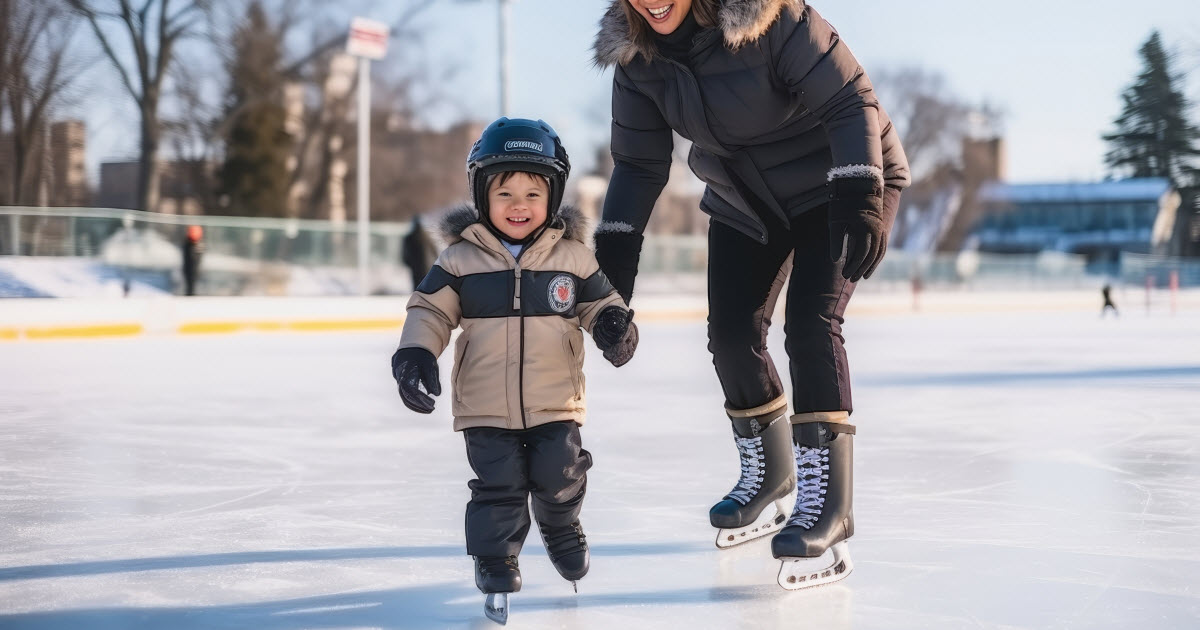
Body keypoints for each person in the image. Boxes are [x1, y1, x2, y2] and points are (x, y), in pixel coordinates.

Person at [592, 0, 910, 589]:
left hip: (841, 183)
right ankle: (771, 476)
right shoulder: (636, 57)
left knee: (812, 328)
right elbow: (638, 165)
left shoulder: (775, 18)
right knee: (731, 336)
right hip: (749, 199)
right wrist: (611, 280)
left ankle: (829, 502)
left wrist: (862, 194)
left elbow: (848, 102)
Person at [389, 118, 638, 622]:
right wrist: (415, 354)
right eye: (504, 192)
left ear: (554, 196)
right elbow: (430, 312)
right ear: (483, 196)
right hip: (484, 404)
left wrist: (614, 325)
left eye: (532, 192)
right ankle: (495, 559)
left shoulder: (572, 257)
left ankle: (562, 524)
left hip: (555, 400)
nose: (519, 204)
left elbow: (601, 304)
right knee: (497, 485)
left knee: (560, 475)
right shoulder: (460, 260)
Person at [401, 216, 438, 290]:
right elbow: (434, 251)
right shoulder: (426, 237)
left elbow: (405, 253)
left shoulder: (411, 237)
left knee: (418, 283)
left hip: (418, 265)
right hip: (424, 265)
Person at [181, 225, 204, 296]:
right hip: (189, 270)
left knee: (193, 287)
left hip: (195, 270)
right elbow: (191, 258)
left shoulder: (199, 245)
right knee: (189, 287)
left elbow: (198, 257)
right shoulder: (188, 245)